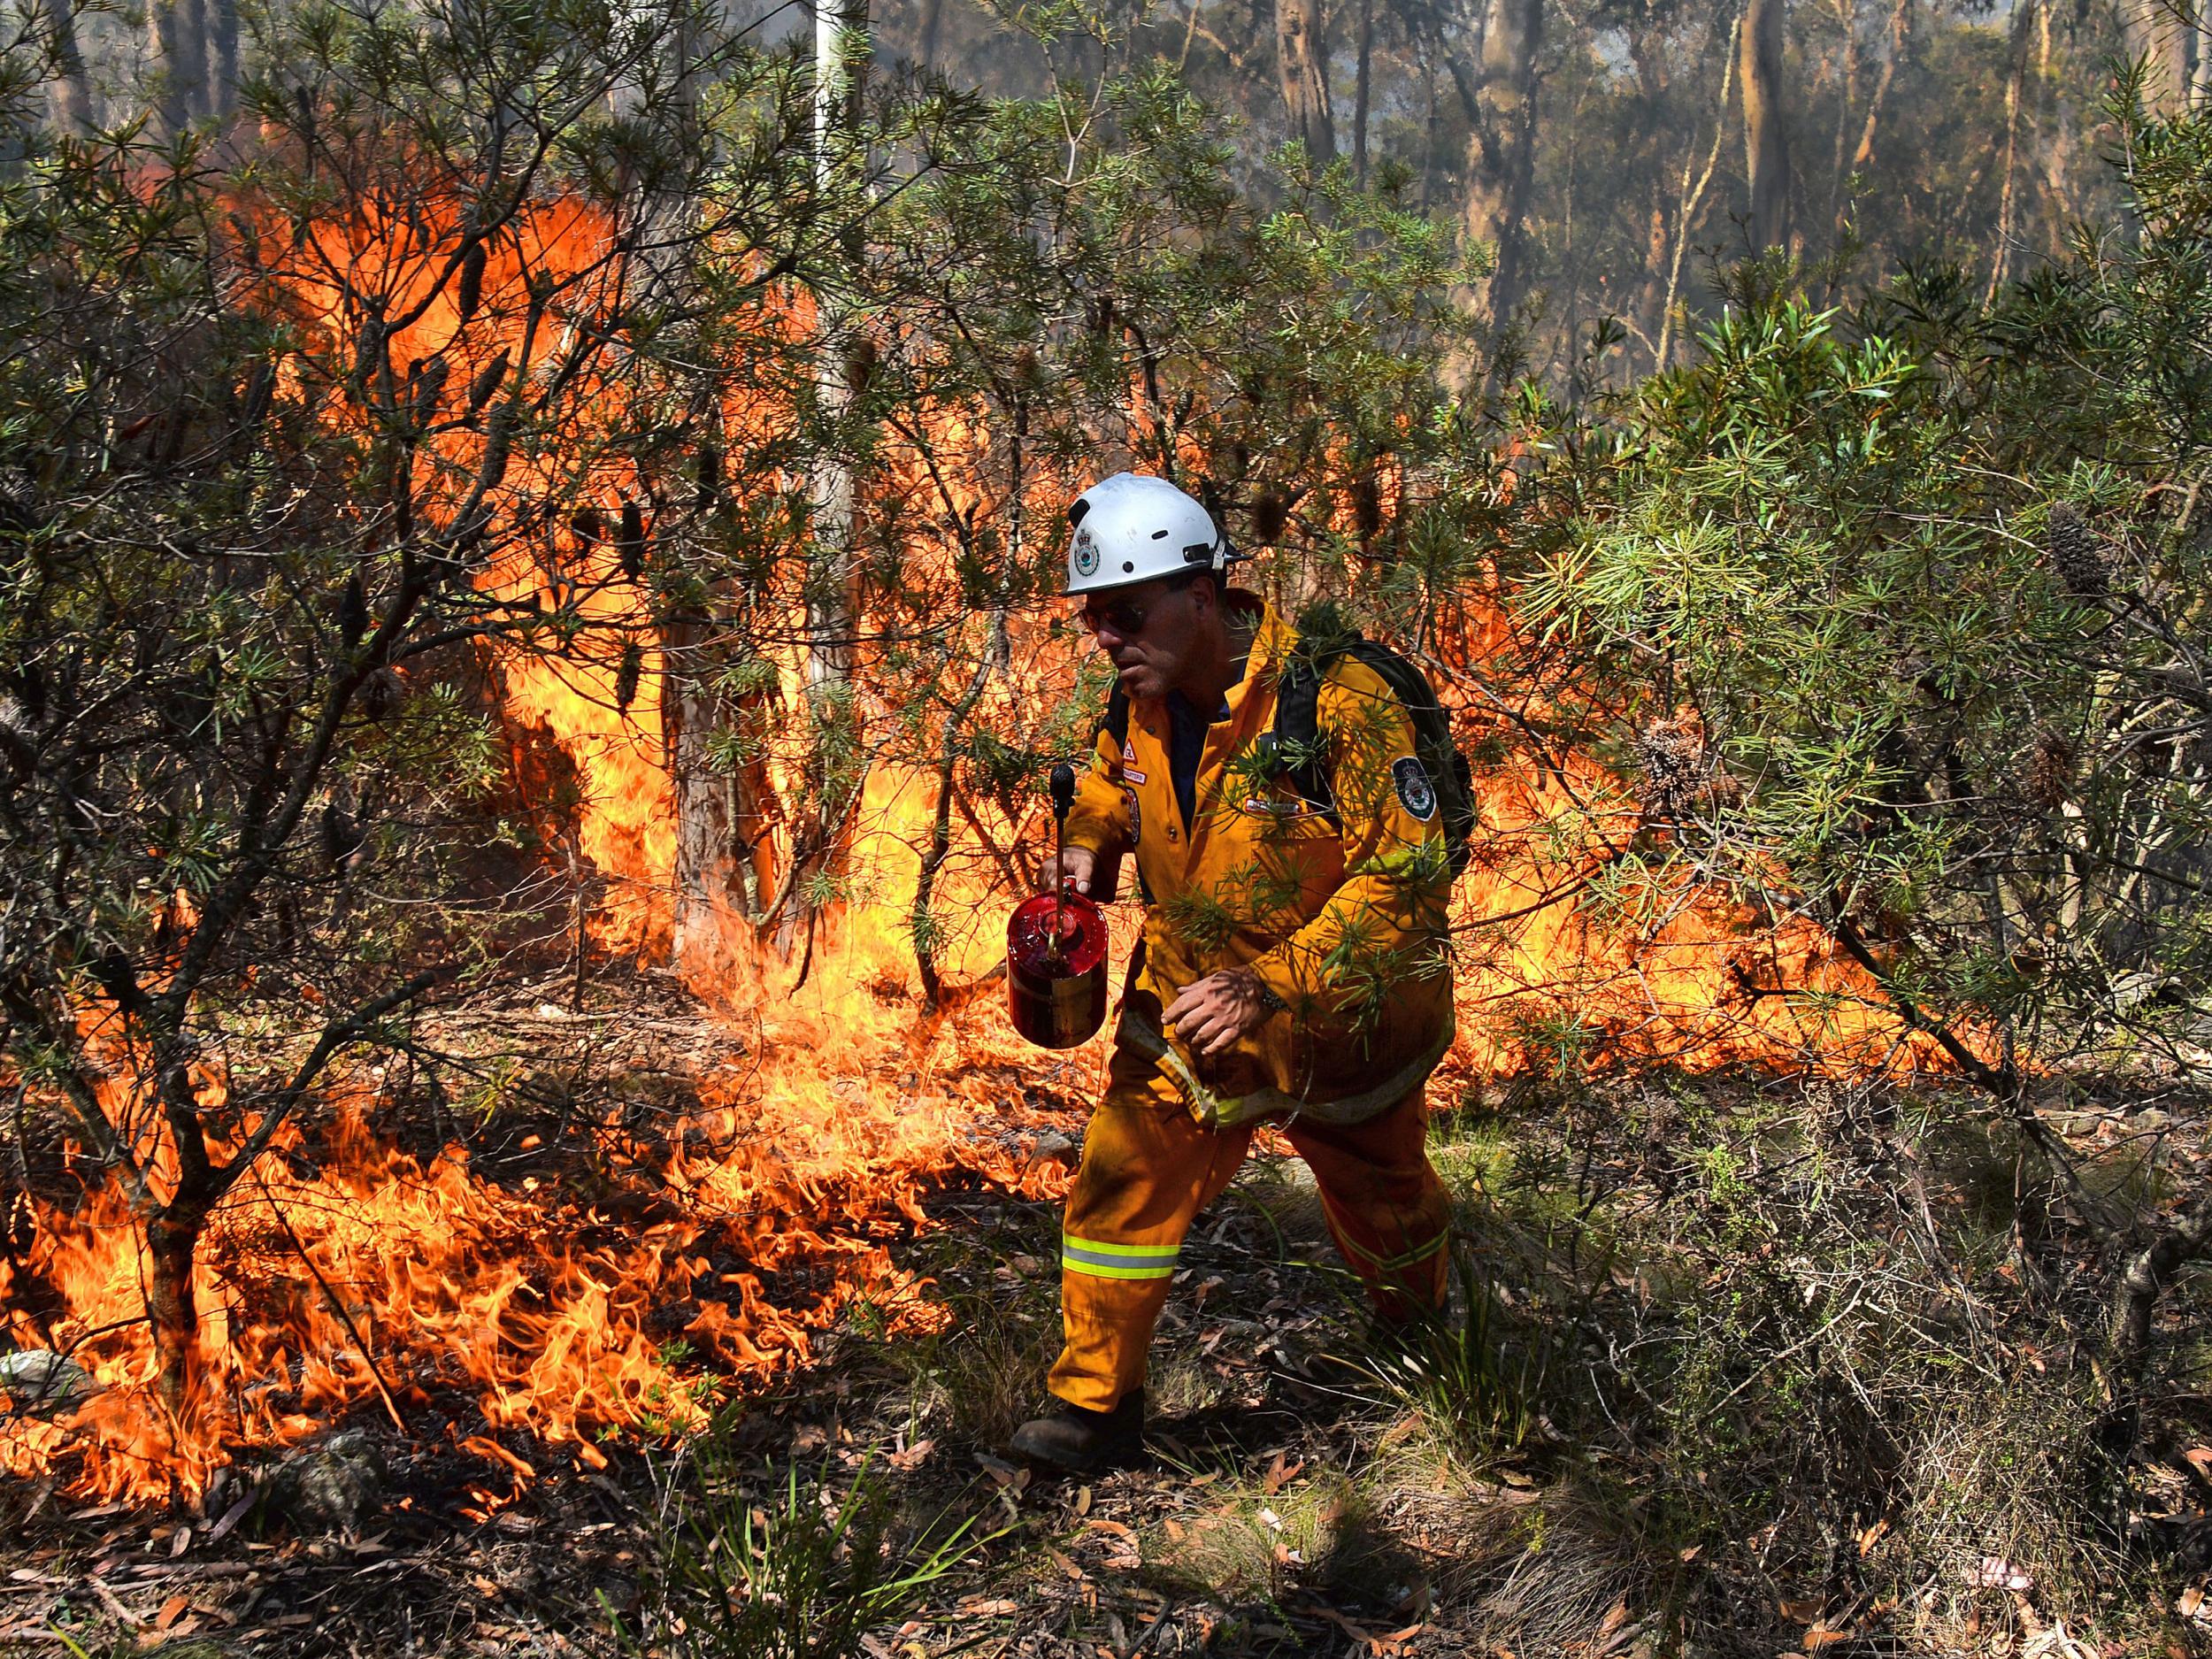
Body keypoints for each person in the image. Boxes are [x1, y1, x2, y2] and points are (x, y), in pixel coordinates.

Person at [1010, 472, 1457, 1476]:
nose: (1107, 639)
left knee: (1384, 1202)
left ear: (1201, 596)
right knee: (1119, 1180)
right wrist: (1088, 842)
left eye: (1124, 614)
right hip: (1186, 990)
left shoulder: (1338, 704)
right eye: (1093, 621)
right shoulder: (1140, 697)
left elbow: (1405, 875)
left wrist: (1275, 983)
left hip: (1339, 1018)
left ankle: (1419, 1351)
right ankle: (1092, 1408)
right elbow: (1103, 780)